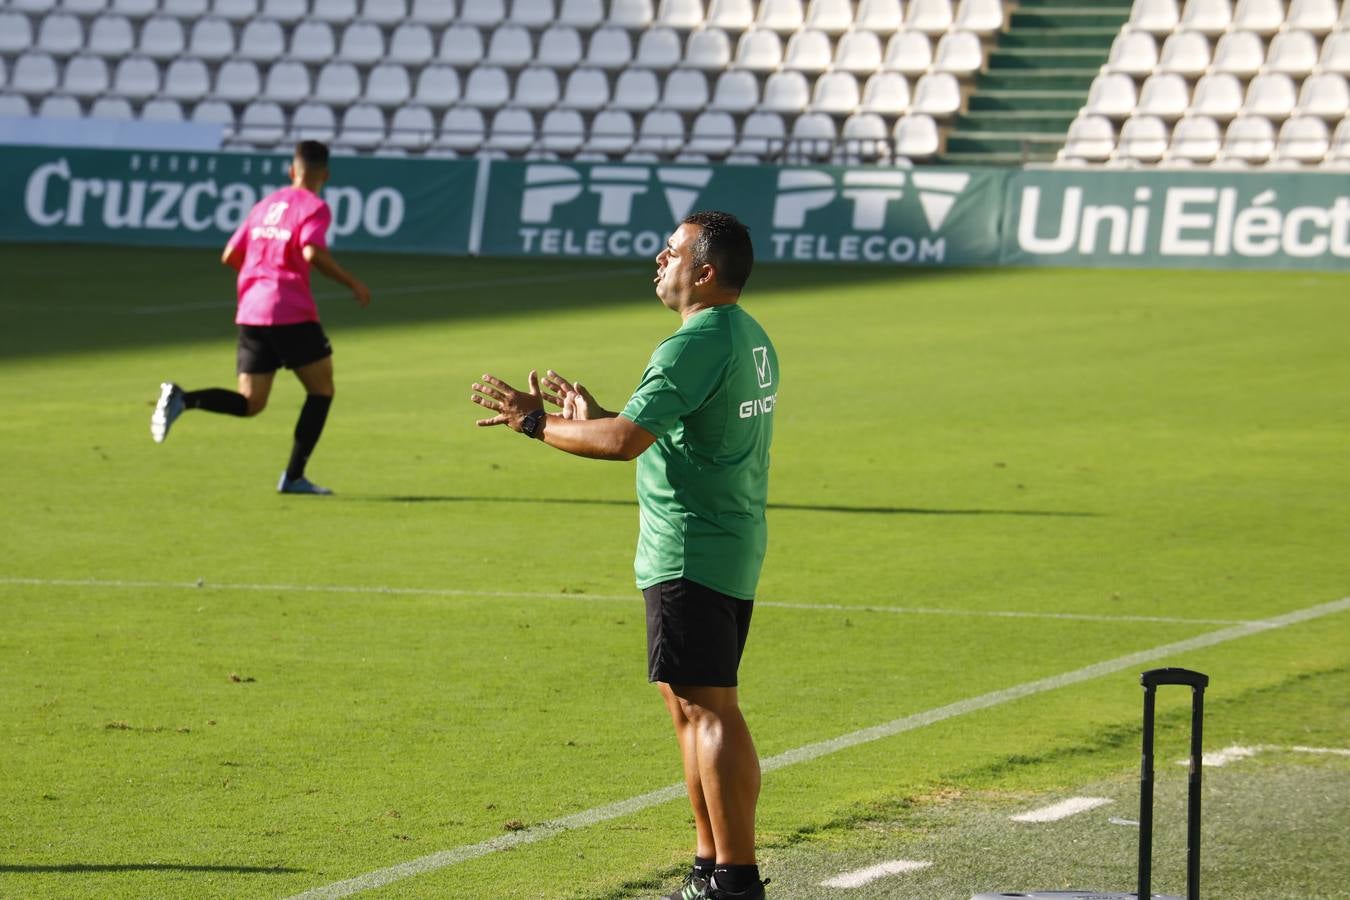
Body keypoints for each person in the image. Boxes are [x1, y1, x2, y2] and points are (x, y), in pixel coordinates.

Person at [469, 211, 777, 900]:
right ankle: (711, 867)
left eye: (670, 252)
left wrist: (536, 423)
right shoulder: (748, 335)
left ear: (704, 271)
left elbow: (623, 443)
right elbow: (675, 434)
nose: (657, 261)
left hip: (690, 548)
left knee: (710, 709)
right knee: (691, 706)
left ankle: (734, 878)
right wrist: (598, 413)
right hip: (723, 543)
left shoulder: (691, 345)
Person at [150, 139, 371, 495]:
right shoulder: (314, 206)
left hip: (252, 311)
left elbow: (229, 254)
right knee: (322, 390)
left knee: (252, 403)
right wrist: (352, 283)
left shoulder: (265, 205)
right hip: (289, 310)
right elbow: (311, 250)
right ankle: (294, 477)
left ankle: (183, 398)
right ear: (325, 174)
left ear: (291, 170)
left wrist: (259, 277)